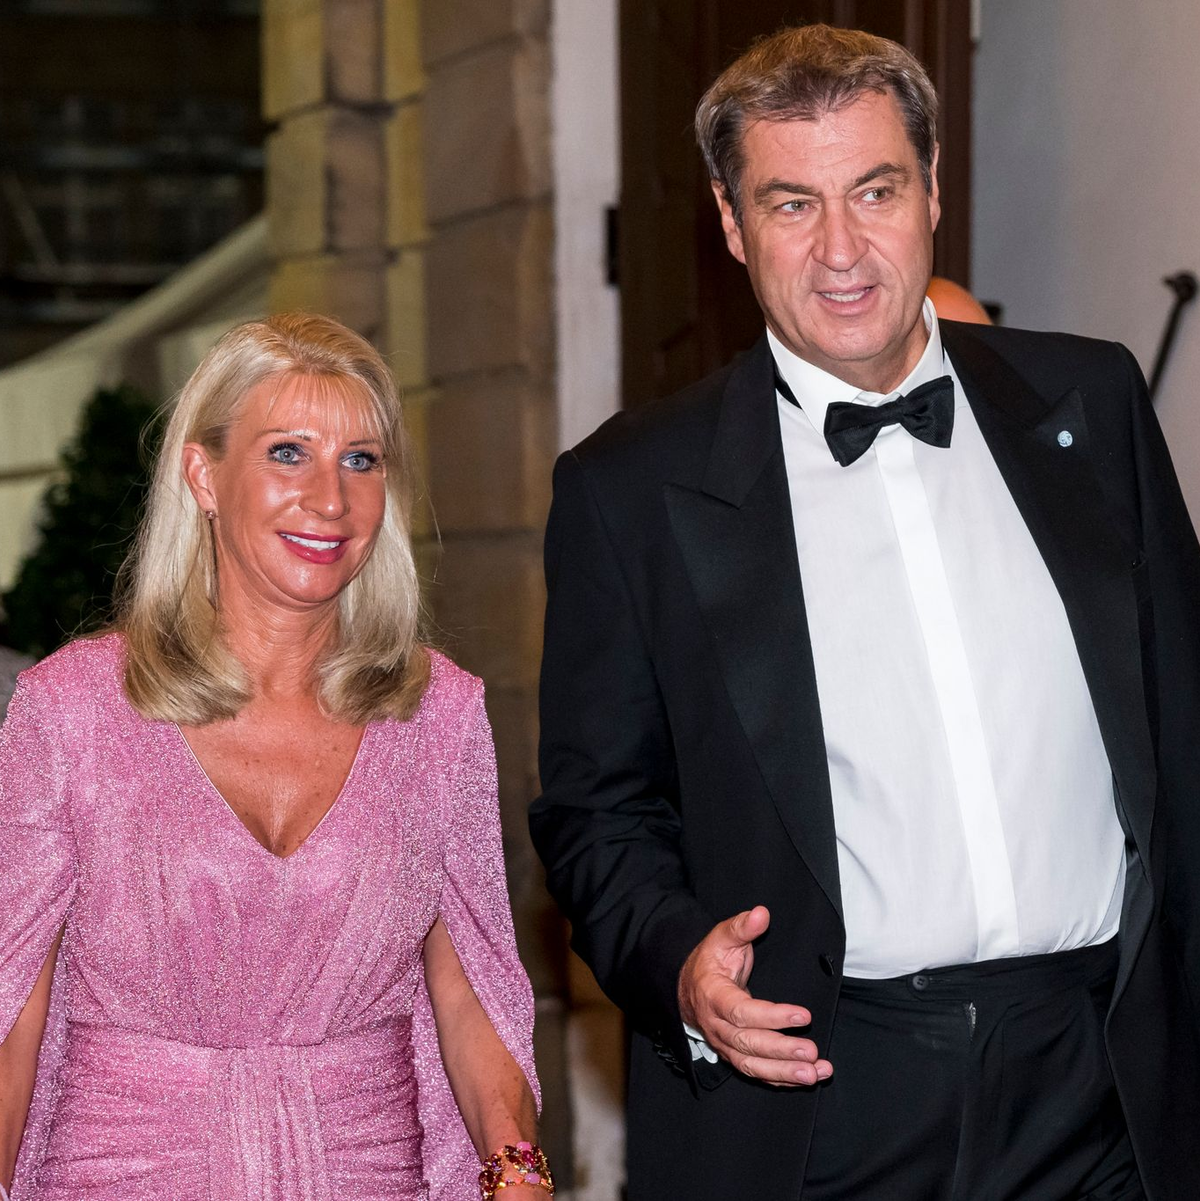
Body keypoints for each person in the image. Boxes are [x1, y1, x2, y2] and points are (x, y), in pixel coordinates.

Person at [530, 23, 1200, 1201]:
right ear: (731, 224)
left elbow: (1184, 730)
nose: (840, 249)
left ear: (933, 190)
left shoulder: (1091, 403)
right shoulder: (630, 490)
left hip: (1103, 1083)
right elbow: (596, 813)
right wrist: (679, 962)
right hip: (822, 1100)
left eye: (875, 191)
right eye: (791, 204)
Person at [0, 313, 553, 1201]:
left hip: (368, 1177)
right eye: (288, 453)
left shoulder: (438, 715)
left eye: (361, 460)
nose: (331, 499)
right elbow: (11, 1008)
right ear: (204, 474)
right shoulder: (70, 711)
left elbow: (470, 986)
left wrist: (517, 1174)